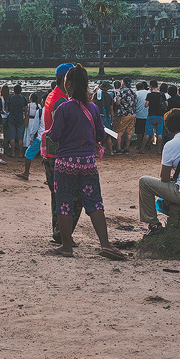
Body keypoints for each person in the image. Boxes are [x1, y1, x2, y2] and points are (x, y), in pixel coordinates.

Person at [46, 65, 126, 260]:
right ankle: (105, 244)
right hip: (88, 161)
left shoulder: (63, 107)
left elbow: (54, 136)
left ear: (70, 84)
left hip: (65, 162)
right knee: (95, 203)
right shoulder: (93, 108)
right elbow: (100, 134)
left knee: (64, 203)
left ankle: (66, 246)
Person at [42, 63, 81, 243]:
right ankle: (63, 233)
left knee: (57, 196)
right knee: (75, 197)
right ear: (68, 81)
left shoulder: (53, 96)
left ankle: (59, 231)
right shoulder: (62, 102)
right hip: (60, 154)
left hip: (51, 153)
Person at [6, 84, 30, 159]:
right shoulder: (24, 98)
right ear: (20, 91)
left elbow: (7, 109)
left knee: (12, 137)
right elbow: (26, 109)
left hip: (12, 118)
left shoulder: (10, 98)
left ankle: (13, 153)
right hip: (20, 118)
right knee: (20, 137)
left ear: (14, 91)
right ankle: (20, 154)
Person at [114, 77, 137, 155]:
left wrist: (115, 100)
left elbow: (118, 103)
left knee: (119, 132)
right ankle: (127, 148)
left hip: (123, 114)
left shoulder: (121, 92)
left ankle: (119, 148)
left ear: (123, 82)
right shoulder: (132, 92)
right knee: (129, 132)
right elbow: (135, 102)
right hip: (132, 114)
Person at [141, 80, 166, 153]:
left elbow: (146, 105)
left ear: (151, 86)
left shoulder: (150, 95)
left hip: (151, 116)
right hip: (160, 116)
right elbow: (166, 104)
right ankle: (159, 150)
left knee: (147, 133)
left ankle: (142, 149)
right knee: (159, 134)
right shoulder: (162, 94)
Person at [134, 81, 150, 152]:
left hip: (139, 114)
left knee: (139, 131)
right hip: (148, 114)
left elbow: (134, 103)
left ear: (137, 88)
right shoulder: (148, 93)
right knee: (147, 131)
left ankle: (140, 145)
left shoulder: (136, 93)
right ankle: (148, 144)